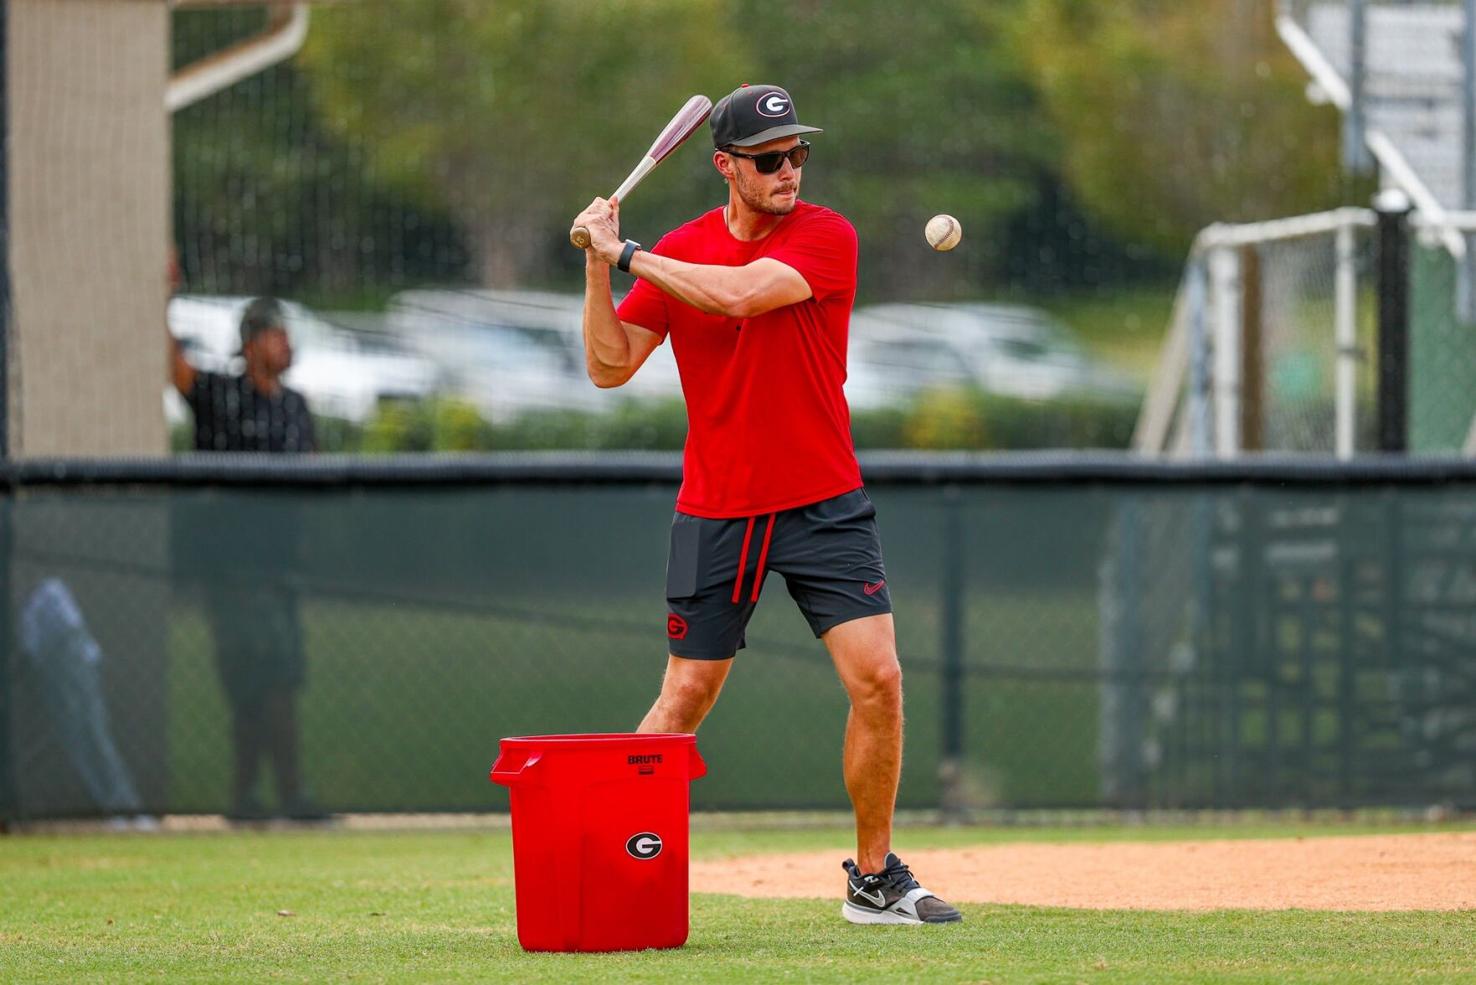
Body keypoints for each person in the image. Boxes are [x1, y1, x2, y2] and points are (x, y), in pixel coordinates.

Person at [571, 83, 962, 925]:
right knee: (684, 698)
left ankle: (873, 876)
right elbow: (609, 365)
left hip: (824, 500)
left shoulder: (825, 235)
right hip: (719, 507)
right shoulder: (679, 248)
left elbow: (743, 294)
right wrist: (599, 266)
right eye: (769, 159)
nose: (790, 170)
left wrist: (629, 250)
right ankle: (613, 867)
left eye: (797, 154)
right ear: (726, 167)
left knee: (880, 680)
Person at [169, 289, 322, 821]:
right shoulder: (220, 396)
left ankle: (258, 799)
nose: (286, 343)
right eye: (276, 334)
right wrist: (161, 293)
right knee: (255, 682)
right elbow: (175, 369)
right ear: (252, 343)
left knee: (277, 680)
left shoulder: (295, 408)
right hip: (232, 572)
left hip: (280, 572)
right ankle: (275, 796)